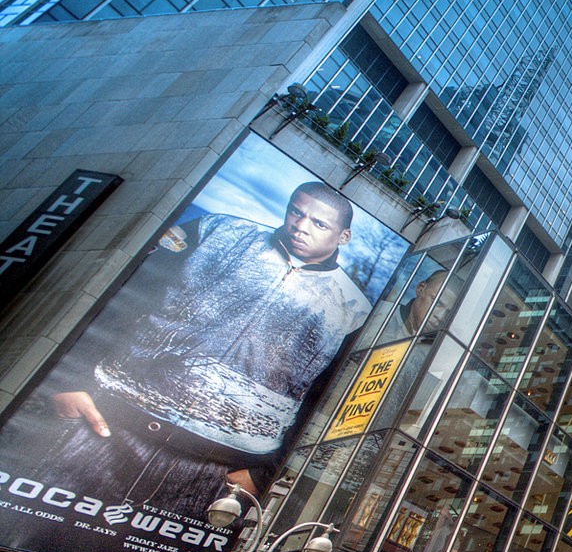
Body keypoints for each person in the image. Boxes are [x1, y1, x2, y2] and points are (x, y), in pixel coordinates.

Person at [21, 184, 374, 525]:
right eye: (296, 212)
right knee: (24, 532)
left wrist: (265, 473)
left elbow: (329, 403)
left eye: (319, 223)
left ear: (343, 236)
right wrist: (70, 379)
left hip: (216, 475)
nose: (300, 226)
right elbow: (125, 297)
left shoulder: (354, 308)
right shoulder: (217, 230)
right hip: (108, 425)